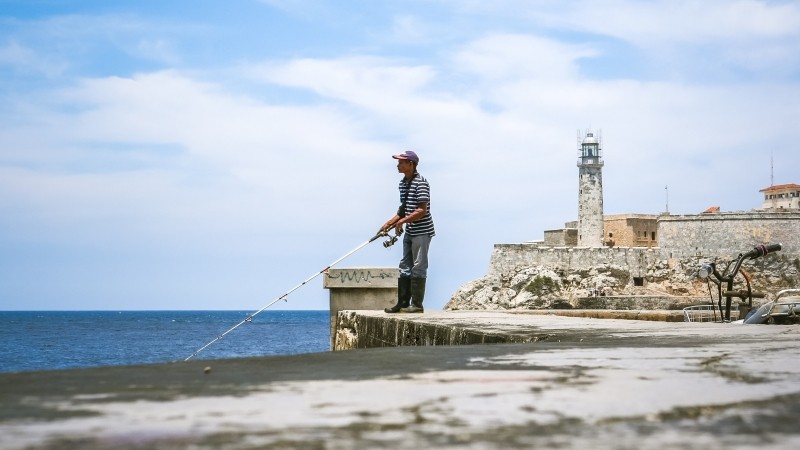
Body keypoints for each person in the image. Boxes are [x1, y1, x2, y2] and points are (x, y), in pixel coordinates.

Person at [380, 150, 435, 313]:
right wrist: (389, 223)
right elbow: (403, 210)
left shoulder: (421, 183)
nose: (398, 165)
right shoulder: (402, 184)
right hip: (410, 230)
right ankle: (403, 303)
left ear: (410, 164)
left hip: (422, 230)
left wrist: (402, 222)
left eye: (401, 162)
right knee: (405, 265)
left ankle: (417, 305)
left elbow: (421, 210)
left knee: (418, 266)